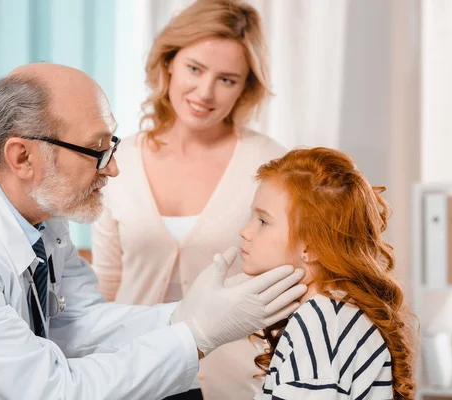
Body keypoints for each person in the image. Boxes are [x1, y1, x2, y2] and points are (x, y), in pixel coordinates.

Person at [0, 63, 308, 400]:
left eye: (112, 145)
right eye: (97, 150)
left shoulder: (37, 198)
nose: (114, 167)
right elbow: (53, 390)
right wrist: (197, 335)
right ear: (22, 156)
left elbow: (75, 323)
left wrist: (183, 314)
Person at [91, 1, 285, 398]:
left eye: (227, 79)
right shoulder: (119, 159)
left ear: (245, 87)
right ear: (169, 64)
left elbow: (287, 282)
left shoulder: (271, 165)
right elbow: (106, 286)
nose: (205, 92)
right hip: (131, 377)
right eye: (195, 69)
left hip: (236, 386)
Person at [239, 148, 416, 399]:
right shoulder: (335, 312)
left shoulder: (320, 323)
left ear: (311, 246)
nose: (245, 231)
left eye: (263, 221)